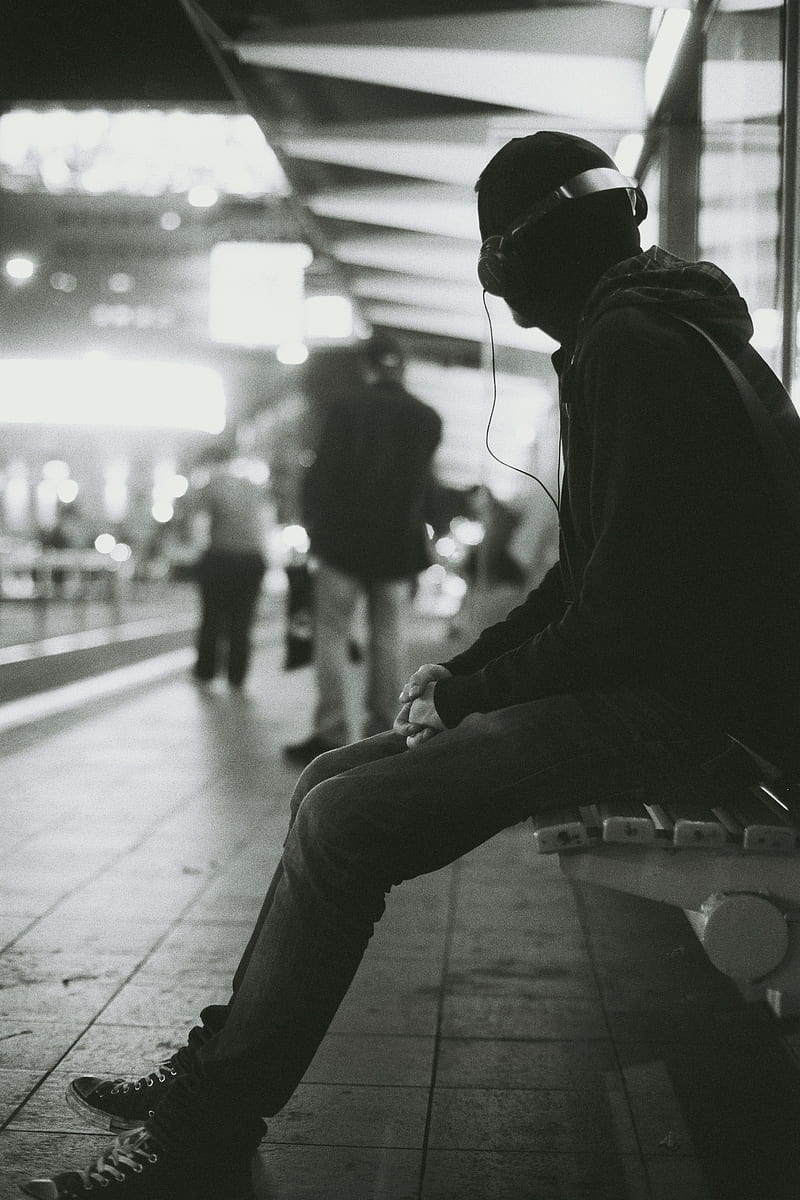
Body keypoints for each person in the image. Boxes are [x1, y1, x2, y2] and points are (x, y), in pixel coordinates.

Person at [23, 130, 800, 1199]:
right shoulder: (648, 330)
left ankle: (207, 1134)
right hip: (682, 693)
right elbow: (584, 585)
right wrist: (461, 674)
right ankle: (215, 1069)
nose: (493, 276)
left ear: (521, 251)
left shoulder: (632, 348)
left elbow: (616, 615)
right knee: (325, 781)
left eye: (495, 249)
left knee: (346, 825)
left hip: (698, 717)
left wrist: (474, 693)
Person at [283, 334, 443, 766]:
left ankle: (331, 730)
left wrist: (315, 532)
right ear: (402, 367)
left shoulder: (346, 409)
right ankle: (382, 731)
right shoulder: (427, 418)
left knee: (331, 636)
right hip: (396, 546)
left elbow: (321, 476)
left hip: (344, 544)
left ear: (368, 367)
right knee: (388, 637)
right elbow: (424, 486)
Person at [189, 444, 268, 691]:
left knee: (212, 617)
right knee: (242, 620)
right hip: (252, 560)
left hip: (220, 557)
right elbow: (265, 524)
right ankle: (237, 675)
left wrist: (201, 555)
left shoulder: (211, 486)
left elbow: (201, 526)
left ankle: (206, 672)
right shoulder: (255, 488)